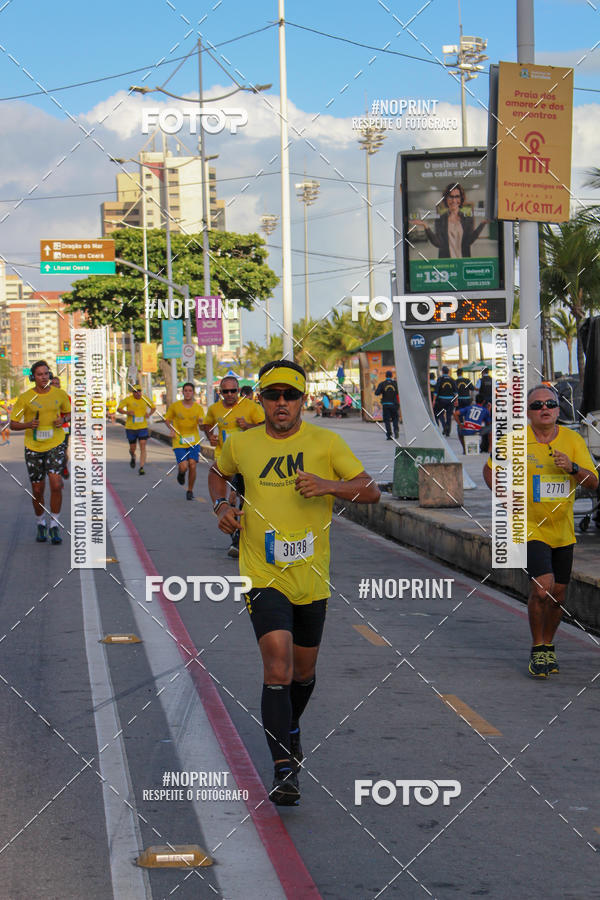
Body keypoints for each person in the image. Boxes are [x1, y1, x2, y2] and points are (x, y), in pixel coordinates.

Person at [208, 360, 380, 806]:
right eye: (272, 395)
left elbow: (370, 489)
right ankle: (284, 765)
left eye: (290, 395)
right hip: (262, 573)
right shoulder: (241, 443)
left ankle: (291, 727)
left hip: (312, 576)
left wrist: (327, 485)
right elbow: (218, 474)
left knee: (303, 674)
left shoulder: (325, 442)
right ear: (259, 399)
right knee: (278, 667)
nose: (281, 403)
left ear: (303, 400)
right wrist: (220, 508)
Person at [483, 384, 598, 678]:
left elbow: (593, 482)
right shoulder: (514, 440)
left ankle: (548, 645)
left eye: (549, 404)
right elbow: (489, 470)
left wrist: (572, 468)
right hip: (528, 525)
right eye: (536, 405)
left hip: (562, 529)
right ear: (528, 413)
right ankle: (537, 648)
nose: (544, 409)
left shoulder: (572, 440)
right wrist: (504, 495)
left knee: (559, 594)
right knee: (542, 586)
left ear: (558, 410)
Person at [10, 360, 71, 544]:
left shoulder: (60, 394)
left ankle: (54, 525)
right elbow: (13, 424)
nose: (43, 377)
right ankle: (40, 523)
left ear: (49, 375)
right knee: (37, 490)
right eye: (39, 374)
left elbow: (69, 413)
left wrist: (64, 420)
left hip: (56, 443)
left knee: (55, 483)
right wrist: (28, 424)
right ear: (33, 377)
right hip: (33, 447)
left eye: (46, 373)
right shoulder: (25, 398)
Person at [203, 376, 265, 558]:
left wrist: (248, 426)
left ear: (238, 391)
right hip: (224, 459)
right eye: (225, 392)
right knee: (228, 500)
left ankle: (240, 537)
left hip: (247, 460)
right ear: (220, 393)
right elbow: (207, 424)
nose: (230, 395)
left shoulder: (251, 407)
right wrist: (210, 436)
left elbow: (265, 427)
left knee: (244, 499)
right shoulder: (215, 409)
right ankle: (236, 538)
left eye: (233, 391)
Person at [413, 182, 488, 259]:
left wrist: (482, 224)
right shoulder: (440, 219)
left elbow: (469, 241)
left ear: (461, 198)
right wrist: (426, 226)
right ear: (446, 199)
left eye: (457, 196)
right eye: (451, 197)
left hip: (463, 261)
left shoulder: (467, 219)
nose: (454, 200)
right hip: (446, 262)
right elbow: (438, 243)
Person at [165, 382, 205, 500]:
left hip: (194, 441)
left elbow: (201, 422)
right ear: (182, 392)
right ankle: (181, 473)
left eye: (190, 391)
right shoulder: (175, 406)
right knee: (184, 466)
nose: (188, 393)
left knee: (192, 465)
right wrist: (171, 429)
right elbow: (167, 419)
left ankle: (190, 490)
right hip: (179, 441)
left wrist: (202, 423)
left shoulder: (198, 408)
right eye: (186, 390)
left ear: (193, 393)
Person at [117, 384, 155, 475]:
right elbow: (119, 409)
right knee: (132, 448)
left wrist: (149, 414)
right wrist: (127, 412)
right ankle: (133, 455)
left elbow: (153, 407)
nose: (138, 393)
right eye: (135, 391)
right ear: (132, 392)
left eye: (139, 391)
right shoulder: (128, 400)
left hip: (142, 427)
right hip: (131, 428)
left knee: (143, 445)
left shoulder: (145, 399)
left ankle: (141, 467)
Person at [50, 375, 70, 479]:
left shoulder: (65, 397)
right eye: (52, 384)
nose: (54, 385)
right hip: (50, 429)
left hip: (64, 428)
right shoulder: (45, 397)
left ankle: (63, 466)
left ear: (60, 385)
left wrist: (63, 419)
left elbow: (71, 413)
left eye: (57, 384)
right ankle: (55, 475)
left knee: (63, 452)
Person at [374, 370, 399, 440]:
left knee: (387, 420)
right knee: (395, 418)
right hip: (394, 404)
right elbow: (399, 392)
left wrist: (382, 391)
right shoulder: (395, 383)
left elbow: (376, 393)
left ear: (386, 376)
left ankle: (389, 435)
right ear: (391, 376)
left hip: (385, 404)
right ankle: (396, 430)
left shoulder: (382, 384)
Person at [432, 366, 456, 436]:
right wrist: (456, 400)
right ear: (448, 372)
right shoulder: (452, 379)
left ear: (442, 372)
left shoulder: (440, 379)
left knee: (440, 414)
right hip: (450, 400)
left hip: (441, 400)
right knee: (449, 416)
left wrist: (434, 400)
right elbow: (455, 392)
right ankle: (448, 432)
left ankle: (445, 426)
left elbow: (436, 391)